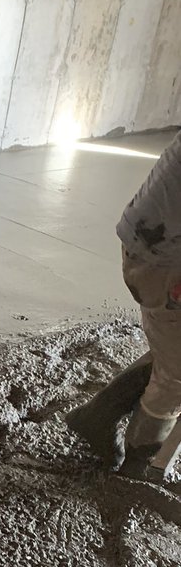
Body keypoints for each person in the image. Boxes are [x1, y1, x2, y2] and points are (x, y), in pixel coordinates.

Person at [66, 131, 181, 477]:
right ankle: (138, 467)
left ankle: (99, 415)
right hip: (164, 257)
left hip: (152, 242)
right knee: (177, 373)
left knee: (172, 349)